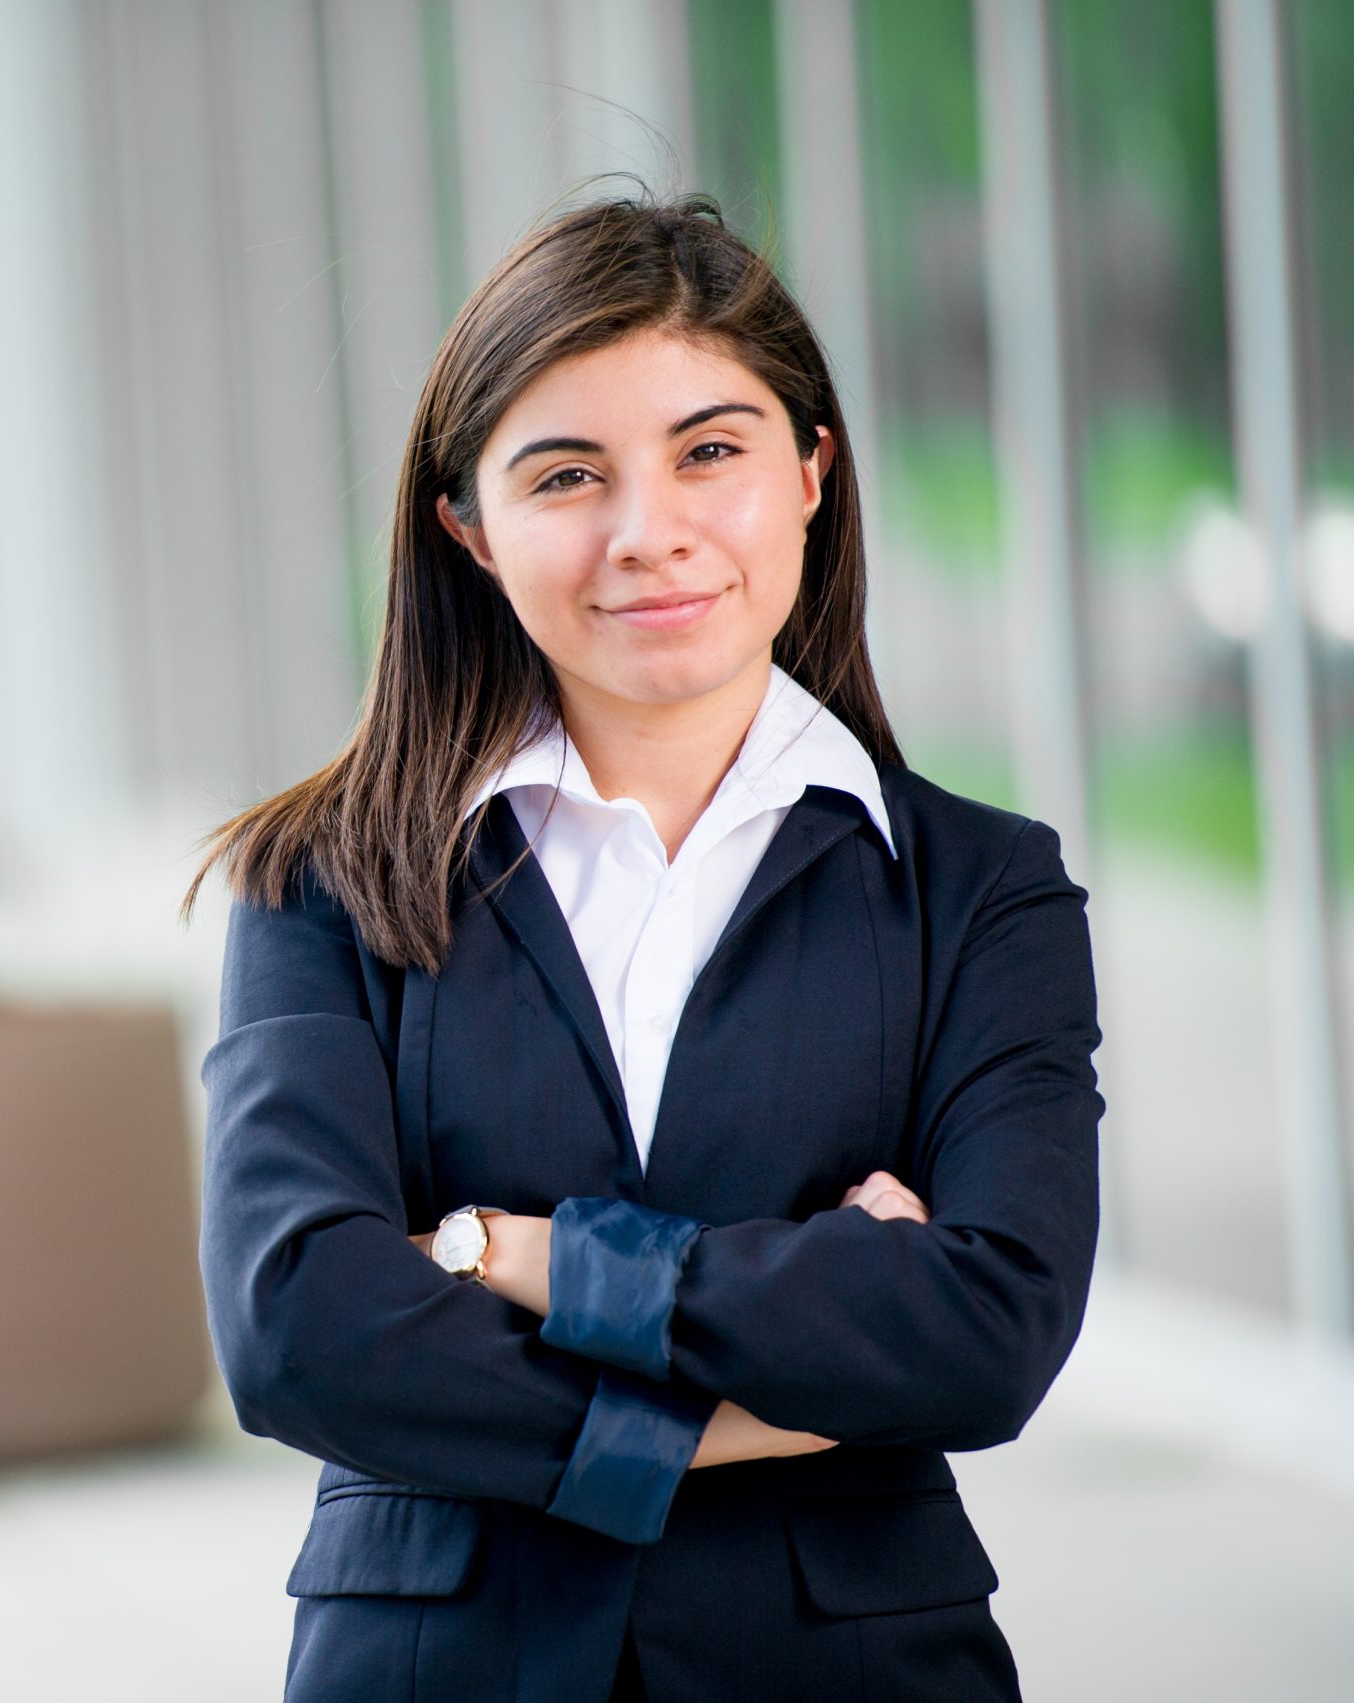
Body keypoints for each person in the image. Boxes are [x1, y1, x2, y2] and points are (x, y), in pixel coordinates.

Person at [177, 190, 1103, 1702]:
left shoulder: (978, 892)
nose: (647, 532)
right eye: (565, 476)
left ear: (813, 473)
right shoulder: (330, 881)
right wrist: (752, 1400)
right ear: (466, 529)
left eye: (711, 451)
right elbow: (296, 1331)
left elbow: (985, 1331)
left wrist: (509, 1254)